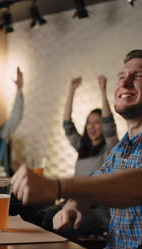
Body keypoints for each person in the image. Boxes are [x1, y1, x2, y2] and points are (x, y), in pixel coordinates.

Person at [11, 50, 142, 249]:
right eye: (122, 77)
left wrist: (57, 186)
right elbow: (91, 184)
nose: (125, 84)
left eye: (139, 76)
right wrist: (73, 206)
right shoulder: (119, 151)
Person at [48, 74, 119, 236]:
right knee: (44, 216)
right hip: (74, 202)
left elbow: (109, 126)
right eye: (89, 122)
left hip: (99, 208)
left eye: (97, 122)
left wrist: (103, 91)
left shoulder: (111, 148)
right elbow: (67, 124)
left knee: (69, 226)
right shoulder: (82, 146)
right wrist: (71, 90)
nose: (92, 127)